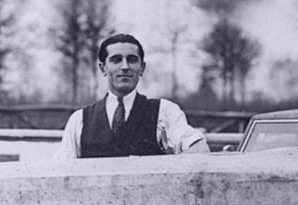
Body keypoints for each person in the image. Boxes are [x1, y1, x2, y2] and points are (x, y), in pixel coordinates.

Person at [57, 33, 208, 160]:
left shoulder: (164, 112)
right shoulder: (80, 120)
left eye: (132, 60)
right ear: (103, 69)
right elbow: (61, 170)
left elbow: (199, 149)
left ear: (142, 68)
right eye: (116, 60)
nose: (125, 67)